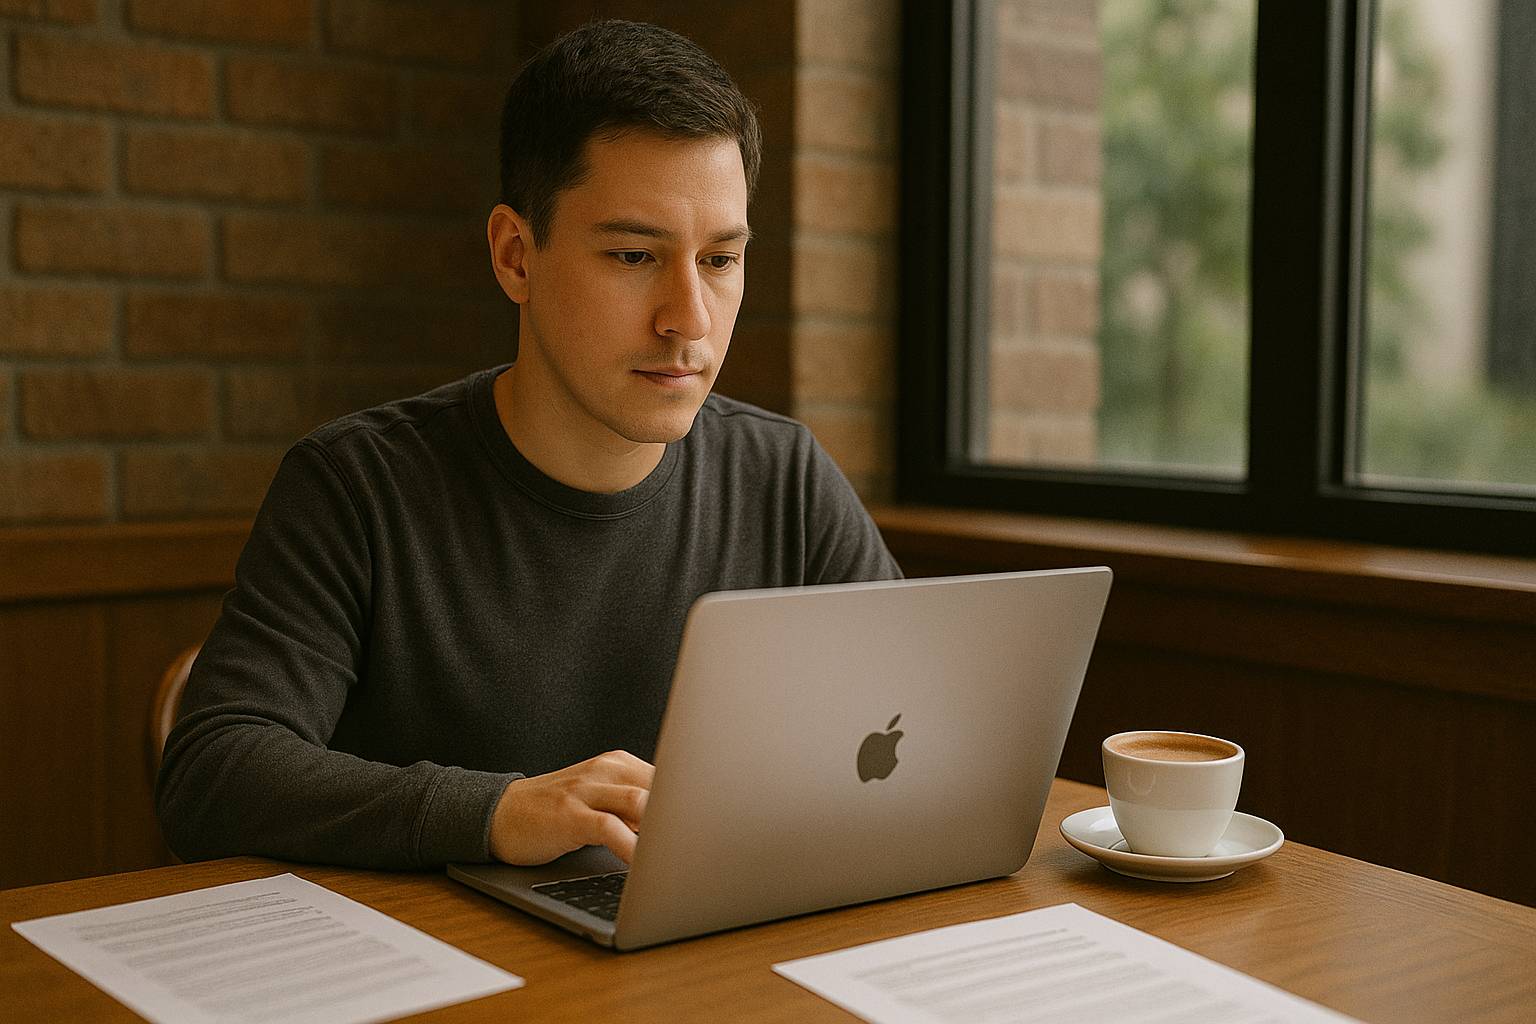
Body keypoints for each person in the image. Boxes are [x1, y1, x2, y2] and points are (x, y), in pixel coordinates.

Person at [156, 19, 901, 872]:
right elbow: (211, 774)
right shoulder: (355, 485)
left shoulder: (784, 476)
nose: (688, 319)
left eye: (721, 260)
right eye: (632, 254)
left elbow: (915, 734)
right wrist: (496, 812)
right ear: (517, 256)